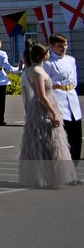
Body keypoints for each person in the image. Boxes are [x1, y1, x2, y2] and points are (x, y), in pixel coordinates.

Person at [19, 41, 78, 188]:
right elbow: (41, 95)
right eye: (47, 52)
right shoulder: (37, 72)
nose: (49, 54)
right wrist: (54, 112)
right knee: (45, 141)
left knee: (48, 142)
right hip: (42, 107)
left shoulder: (37, 69)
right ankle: (45, 176)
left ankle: (50, 175)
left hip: (45, 103)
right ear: (43, 55)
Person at [43, 34, 80, 164]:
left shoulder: (71, 60)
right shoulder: (47, 63)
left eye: (65, 45)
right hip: (58, 99)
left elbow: (74, 80)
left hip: (71, 98)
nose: (63, 48)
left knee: (76, 138)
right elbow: (45, 85)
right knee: (63, 139)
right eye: (59, 46)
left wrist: (69, 88)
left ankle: (74, 170)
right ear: (51, 46)